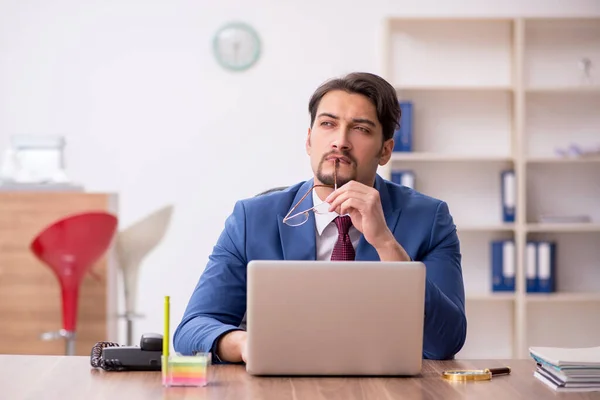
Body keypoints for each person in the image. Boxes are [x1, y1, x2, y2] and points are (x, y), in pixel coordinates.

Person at [173, 72, 467, 363]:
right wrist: (245, 343)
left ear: (386, 150)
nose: (340, 141)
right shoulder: (252, 218)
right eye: (328, 124)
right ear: (309, 140)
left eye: (361, 129)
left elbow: (445, 342)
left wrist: (386, 245)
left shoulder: (429, 219)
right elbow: (192, 330)